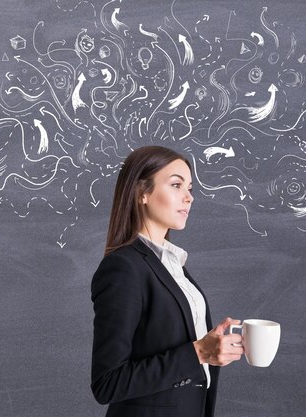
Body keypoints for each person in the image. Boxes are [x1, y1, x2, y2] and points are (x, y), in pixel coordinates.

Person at [90, 145, 243, 417]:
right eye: (176, 185)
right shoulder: (123, 268)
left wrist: (212, 352)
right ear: (142, 193)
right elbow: (107, 383)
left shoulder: (173, 266)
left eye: (190, 189)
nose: (189, 198)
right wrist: (197, 352)